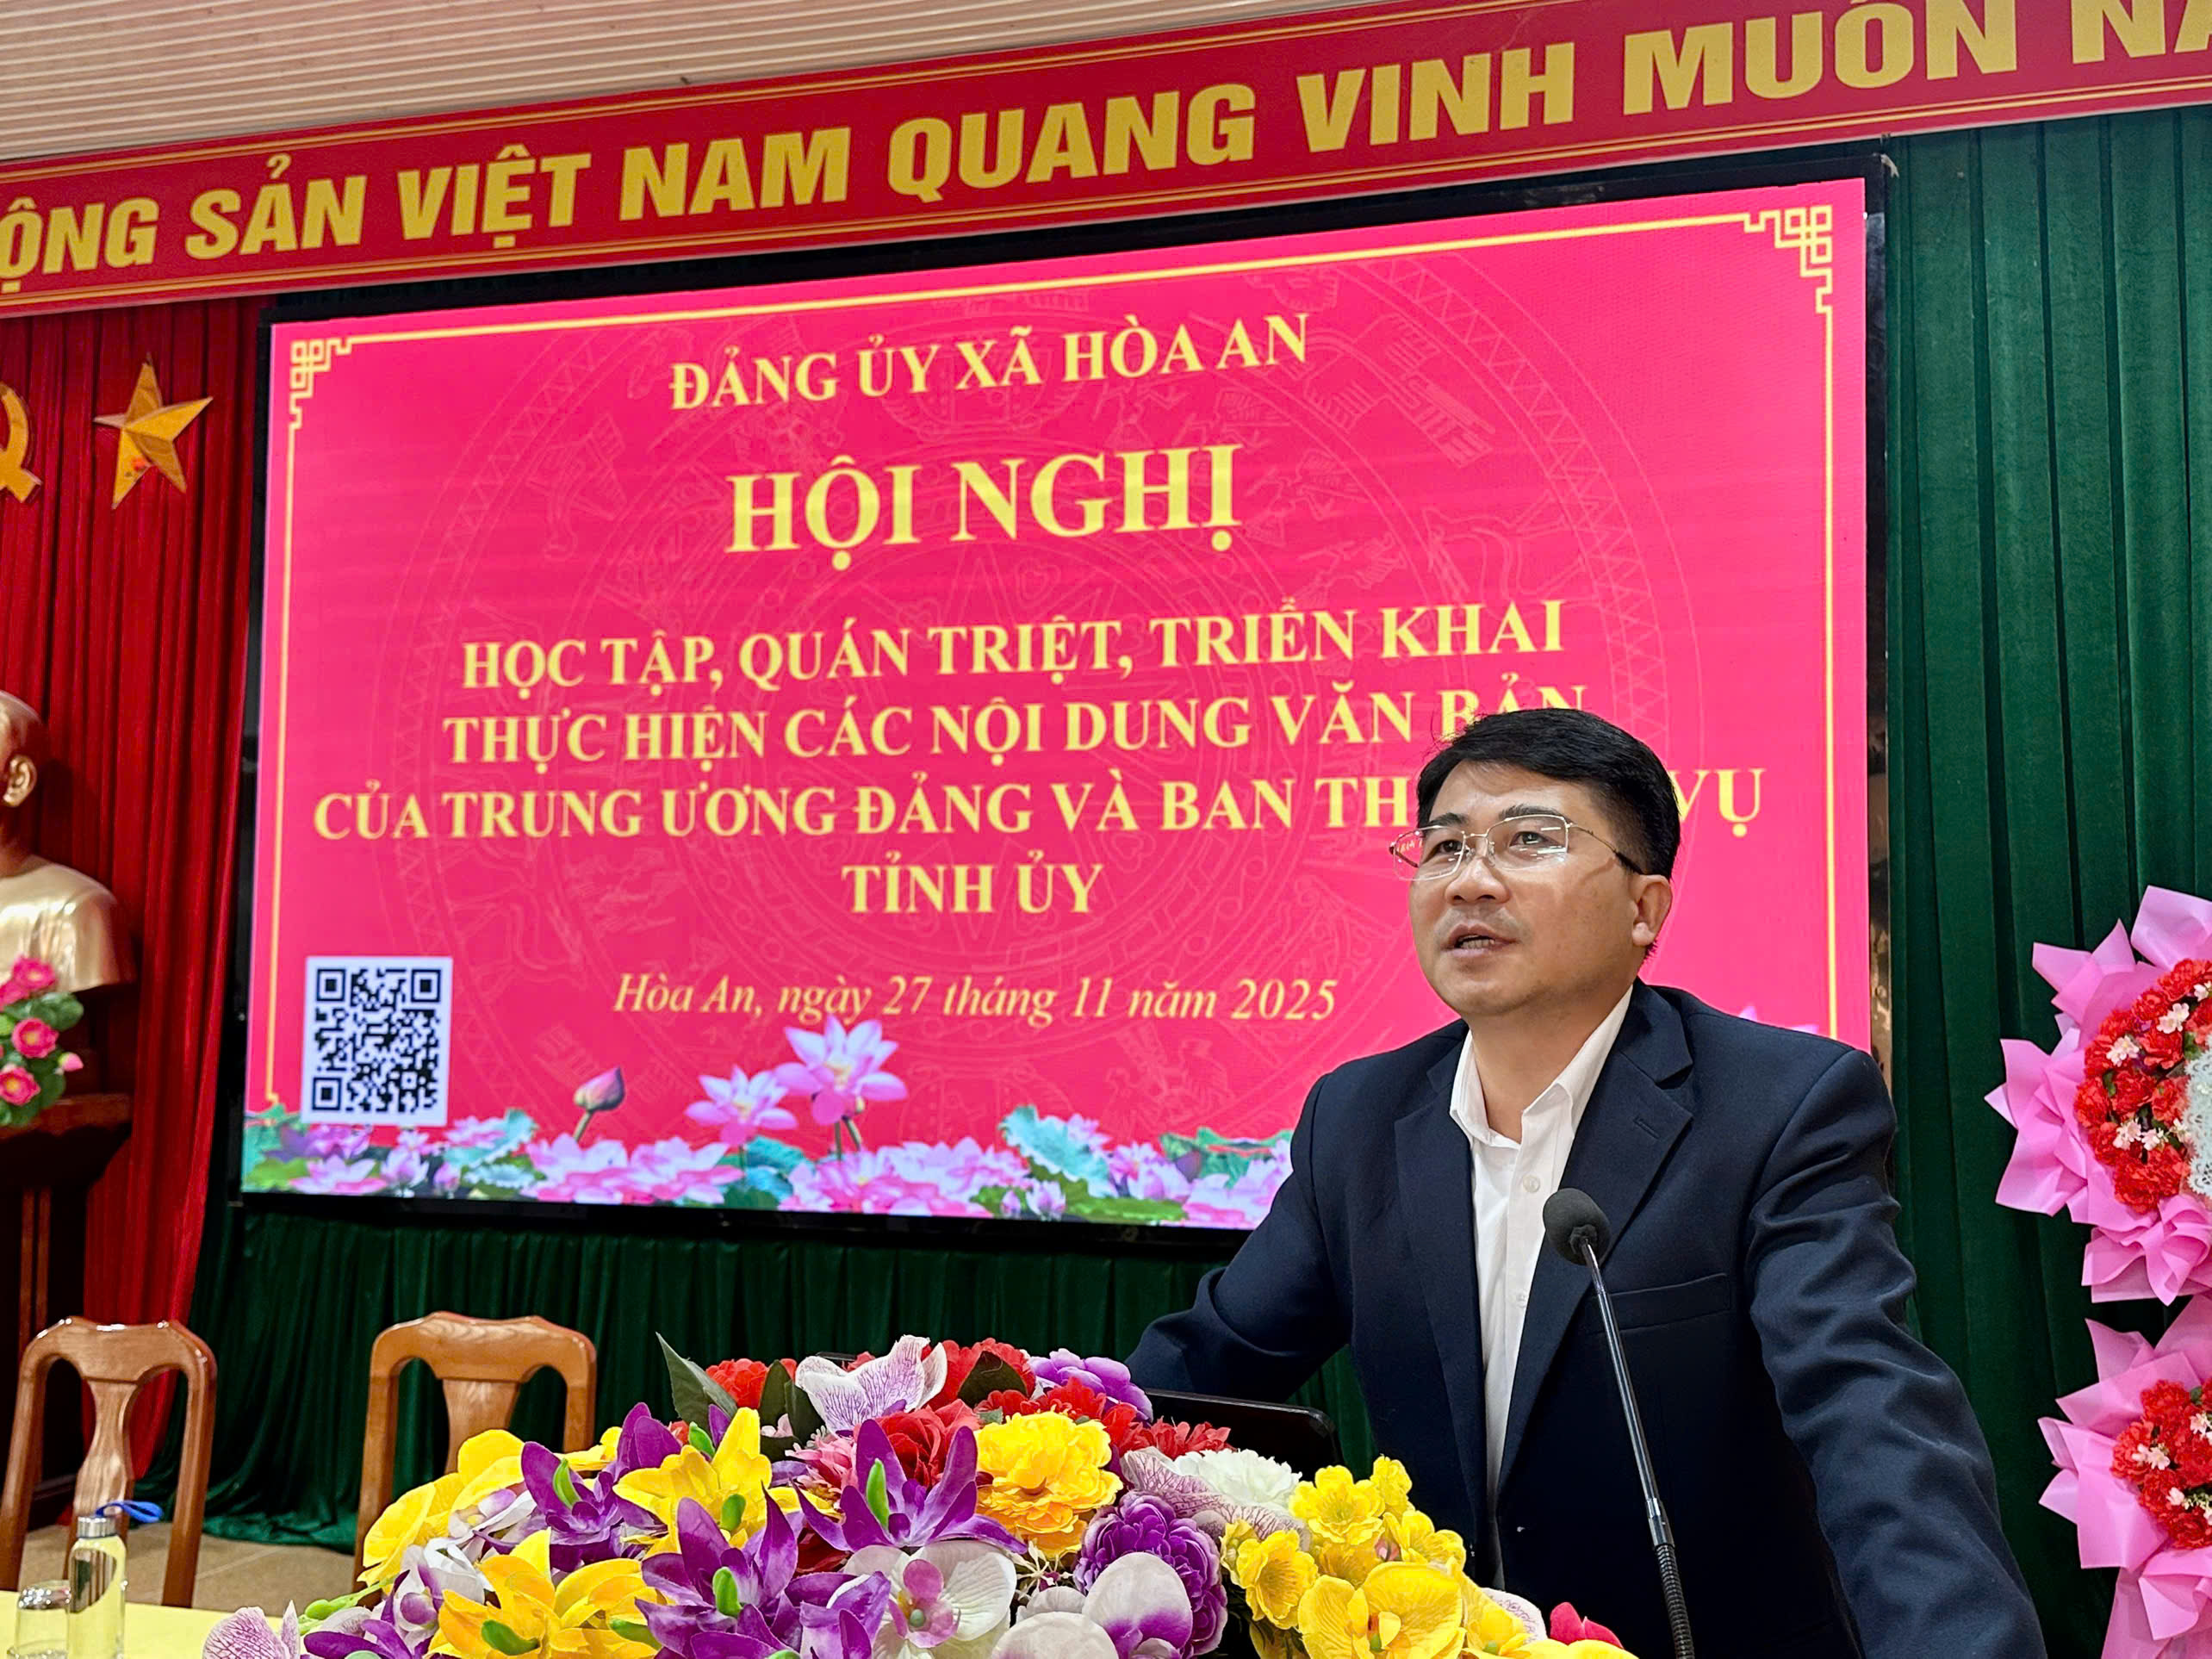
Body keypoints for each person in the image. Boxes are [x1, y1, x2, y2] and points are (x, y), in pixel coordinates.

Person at [1128, 709, 2041, 1659]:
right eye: (1444, 847)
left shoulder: (1777, 1107)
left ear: (1645, 908)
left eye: (1530, 840)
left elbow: (1866, 1413)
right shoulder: (1357, 1117)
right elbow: (1206, 1369)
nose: (1471, 880)